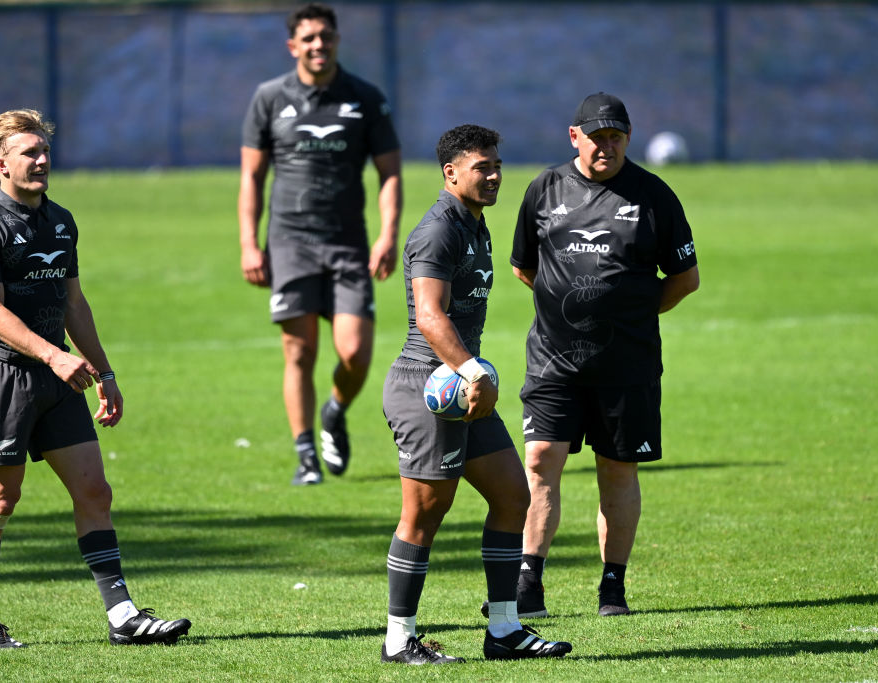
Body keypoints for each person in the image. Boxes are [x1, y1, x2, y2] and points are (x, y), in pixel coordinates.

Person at [0, 109, 191, 649]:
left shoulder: (60, 221)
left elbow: (74, 303)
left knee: (93, 489)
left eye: (43, 150)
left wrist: (103, 370)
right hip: (5, 379)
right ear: (0, 163)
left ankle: (123, 615)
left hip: (60, 382)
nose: (41, 160)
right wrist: (53, 356)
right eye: (28, 153)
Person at [380, 125, 572, 665]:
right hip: (429, 386)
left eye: (496, 166)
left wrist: (472, 375)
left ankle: (505, 631)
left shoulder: (475, 224)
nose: (493, 176)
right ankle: (399, 641)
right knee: (424, 514)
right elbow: (429, 315)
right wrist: (472, 370)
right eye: (481, 167)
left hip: (464, 386)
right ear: (450, 173)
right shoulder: (438, 231)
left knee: (514, 496)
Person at [509, 93, 700, 618]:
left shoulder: (654, 194)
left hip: (627, 363)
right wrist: (566, 310)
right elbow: (525, 267)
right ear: (576, 137)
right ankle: (529, 584)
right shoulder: (545, 189)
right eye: (597, 137)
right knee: (540, 460)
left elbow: (686, 279)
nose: (607, 147)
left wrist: (630, 314)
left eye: (617, 137)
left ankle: (612, 588)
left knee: (617, 470)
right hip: (553, 360)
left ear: (628, 139)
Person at [238, 2, 402, 485]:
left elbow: (389, 173)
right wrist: (250, 243)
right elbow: (251, 176)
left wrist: (388, 235)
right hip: (289, 241)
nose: (318, 45)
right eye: (308, 38)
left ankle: (334, 410)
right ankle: (306, 454)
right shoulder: (269, 98)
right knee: (299, 352)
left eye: (325, 37)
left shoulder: (365, 98)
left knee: (355, 354)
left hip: (349, 243)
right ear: (293, 46)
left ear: (336, 41)